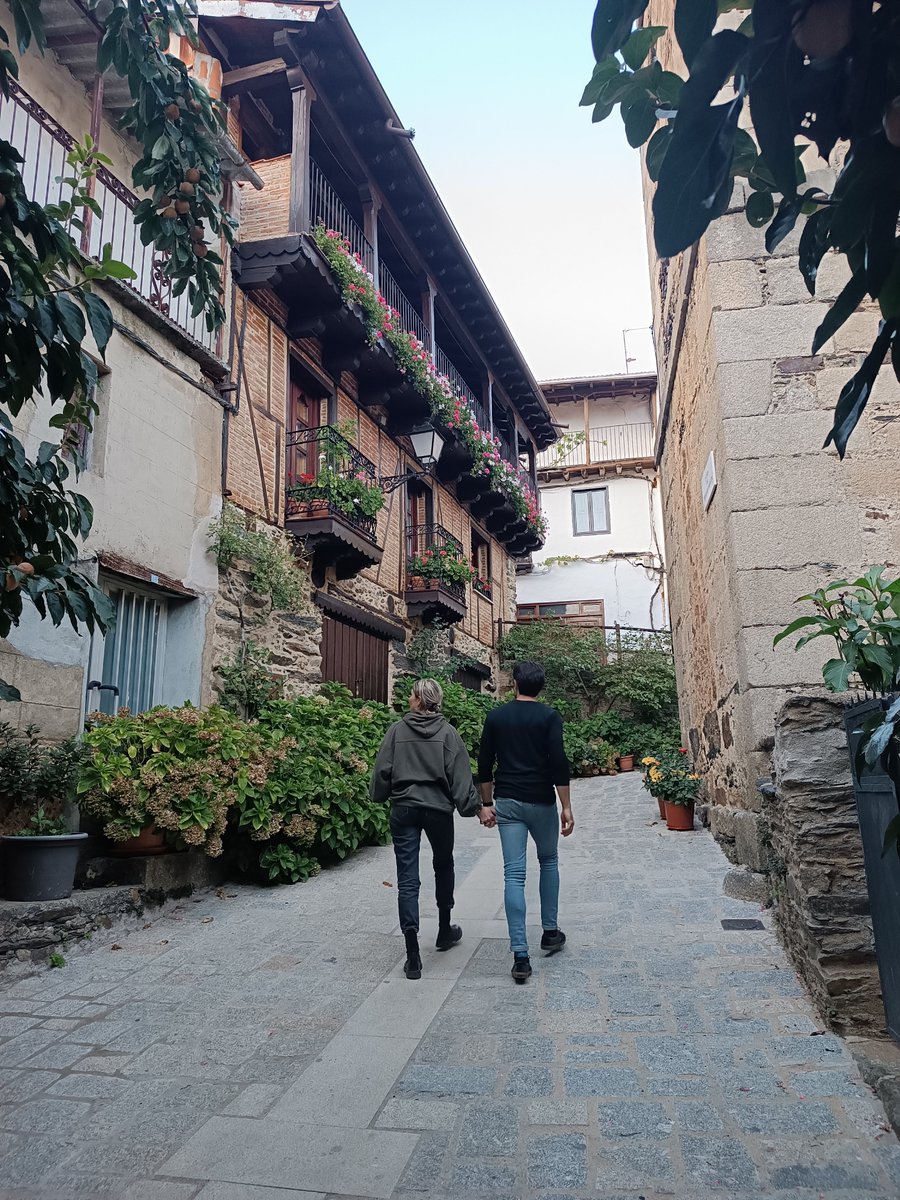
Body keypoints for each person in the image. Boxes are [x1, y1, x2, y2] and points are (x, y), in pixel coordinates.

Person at [371, 678, 490, 980]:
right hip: (438, 810)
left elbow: (382, 772)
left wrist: (379, 795)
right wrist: (475, 808)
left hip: (405, 809)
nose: (408, 699)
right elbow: (461, 778)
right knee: (443, 865)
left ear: (420, 701)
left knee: (407, 878)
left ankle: (413, 955)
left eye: (411, 696)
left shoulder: (397, 732)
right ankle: (443, 929)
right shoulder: (448, 734)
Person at [477, 661, 573, 984]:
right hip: (542, 801)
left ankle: (520, 955)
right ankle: (549, 931)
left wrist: (487, 803)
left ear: (515, 684)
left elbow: (484, 763)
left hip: (508, 802)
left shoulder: (496, 717)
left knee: (513, 875)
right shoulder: (549, 717)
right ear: (540, 687)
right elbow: (559, 762)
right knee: (549, 861)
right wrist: (567, 807)